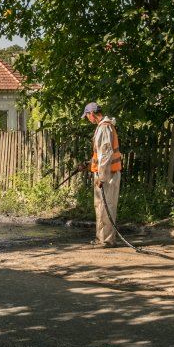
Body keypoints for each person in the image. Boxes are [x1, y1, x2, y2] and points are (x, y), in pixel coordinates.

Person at [77, 102, 122, 248]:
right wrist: (88, 164)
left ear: (92, 114)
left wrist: (101, 177)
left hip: (108, 175)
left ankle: (107, 241)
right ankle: (101, 238)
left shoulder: (105, 128)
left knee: (106, 206)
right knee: (101, 206)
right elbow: (100, 155)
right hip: (105, 173)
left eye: (87, 116)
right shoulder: (103, 127)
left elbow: (107, 155)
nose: (87, 119)